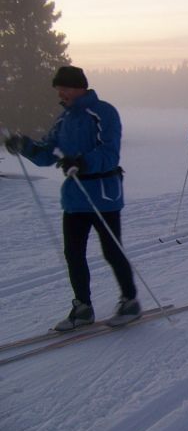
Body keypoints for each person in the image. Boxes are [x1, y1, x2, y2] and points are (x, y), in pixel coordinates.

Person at [4, 66, 140, 331]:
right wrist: (25, 146)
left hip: (103, 194)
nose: (61, 94)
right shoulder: (64, 118)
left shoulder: (103, 112)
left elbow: (110, 153)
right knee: (73, 253)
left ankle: (130, 301)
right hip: (75, 197)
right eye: (58, 89)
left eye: (65, 89)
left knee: (112, 250)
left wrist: (82, 161)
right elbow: (47, 153)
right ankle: (82, 307)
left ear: (80, 88)